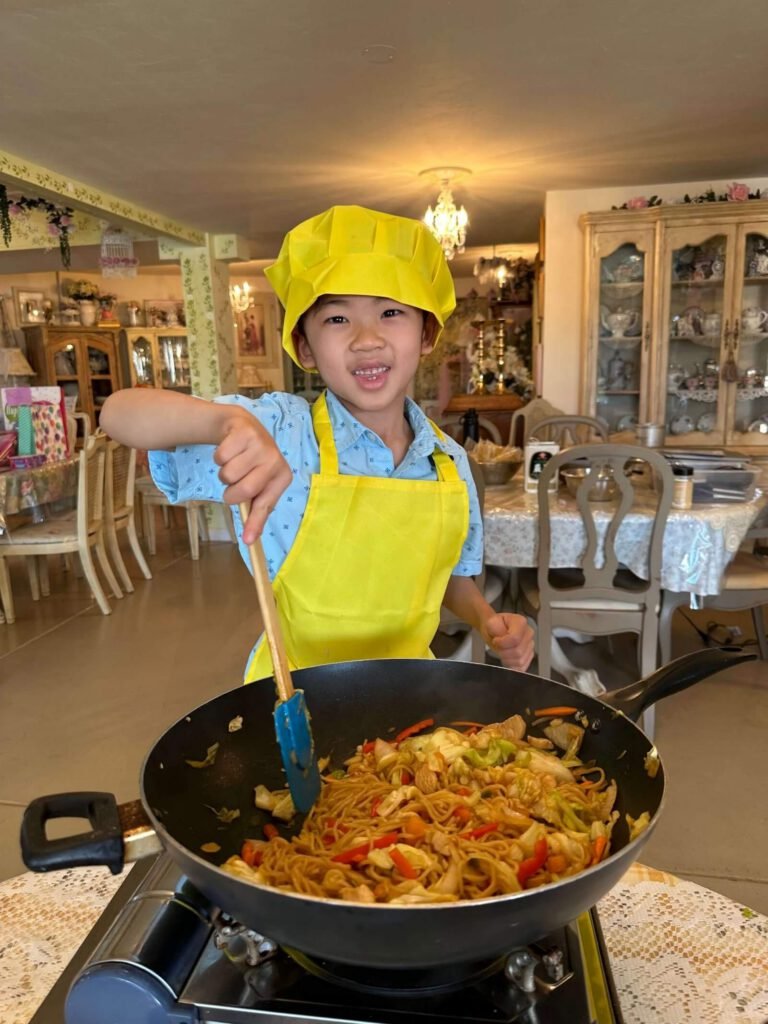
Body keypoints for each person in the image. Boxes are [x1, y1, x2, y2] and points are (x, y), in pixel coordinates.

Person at [101, 205, 534, 681]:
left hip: (409, 692)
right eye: (337, 318)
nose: (366, 339)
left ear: (426, 332)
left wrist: (486, 620)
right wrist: (224, 422)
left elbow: (448, 576)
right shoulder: (281, 431)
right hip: (294, 693)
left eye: (391, 312)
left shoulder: (448, 461)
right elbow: (119, 413)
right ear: (305, 346)